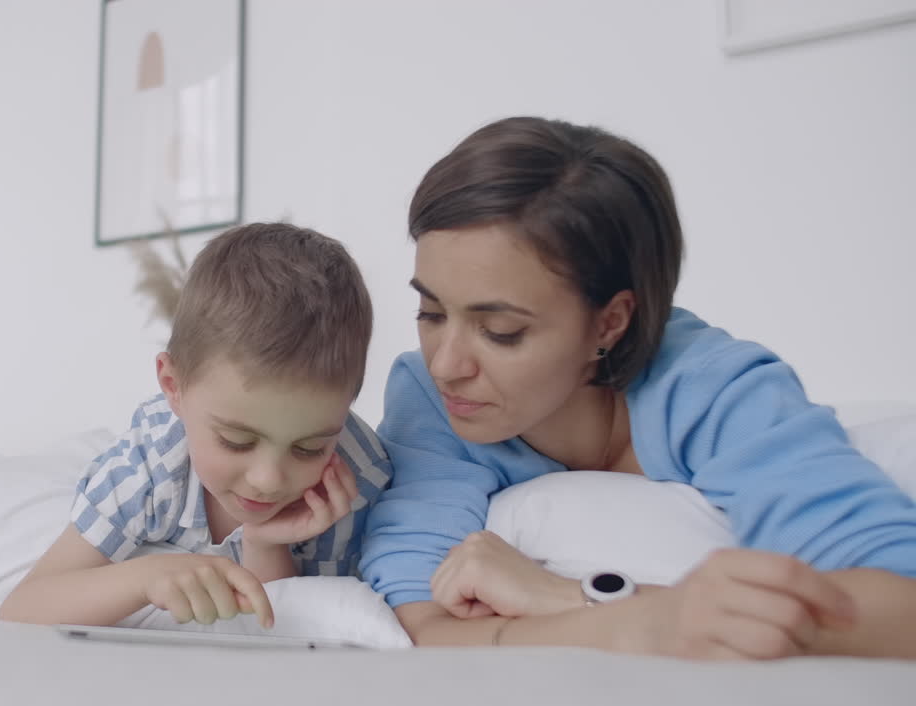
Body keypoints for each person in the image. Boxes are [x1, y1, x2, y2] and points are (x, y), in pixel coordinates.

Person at [359, 116, 916, 660]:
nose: (447, 365)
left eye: (500, 331)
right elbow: (421, 624)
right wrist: (627, 623)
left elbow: (900, 605)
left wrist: (586, 601)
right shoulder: (429, 399)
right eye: (430, 312)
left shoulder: (716, 392)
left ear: (610, 322)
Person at [0, 223, 392, 627]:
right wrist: (147, 576)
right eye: (236, 441)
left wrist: (265, 543)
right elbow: (23, 608)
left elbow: (290, 632)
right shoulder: (152, 459)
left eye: (309, 448)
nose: (268, 480)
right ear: (173, 386)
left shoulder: (356, 480)